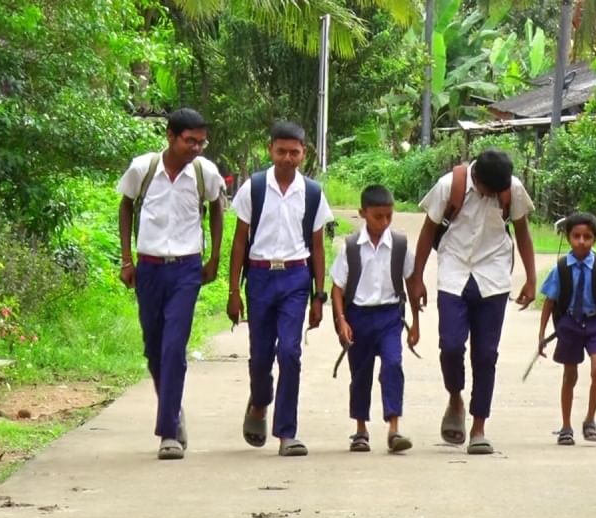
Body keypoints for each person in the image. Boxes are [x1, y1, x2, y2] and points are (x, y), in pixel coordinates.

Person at [407, 149, 537, 455]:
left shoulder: (512, 189)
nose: (492, 195)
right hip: (453, 271)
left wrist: (531, 279)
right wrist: (417, 278)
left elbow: (522, 231)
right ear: (475, 177)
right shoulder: (449, 186)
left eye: (497, 191)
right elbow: (428, 231)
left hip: (493, 275)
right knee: (450, 345)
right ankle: (455, 397)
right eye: (488, 190)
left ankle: (479, 427)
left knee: (486, 354)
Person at [116, 107, 225, 461]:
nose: (196, 147)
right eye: (189, 141)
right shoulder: (143, 169)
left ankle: (168, 434)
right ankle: (173, 411)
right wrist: (127, 260)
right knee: (154, 346)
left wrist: (214, 258)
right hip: (148, 268)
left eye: (201, 142)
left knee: (174, 346)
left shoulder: (204, 172)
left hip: (186, 268)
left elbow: (218, 209)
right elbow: (126, 206)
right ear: (171, 137)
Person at [226, 121, 333, 457]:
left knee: (290, 352)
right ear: (270, 150)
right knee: (260, 356)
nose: (288, 158)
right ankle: (259, 402)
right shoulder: (254, 188)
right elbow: (239, 242)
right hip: (259, 278)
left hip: (295, 280)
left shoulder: (313, 193)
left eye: (295, 152)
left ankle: (287, 432)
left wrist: (319, 295)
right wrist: (232, 292)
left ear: (304, 153)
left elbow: (317, 247)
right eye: (281, 151)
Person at [330, 185, 420, 454]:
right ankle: (360, 430)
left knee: (393, 365)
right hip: (358, 317)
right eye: (378, 216)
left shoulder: (400, 245)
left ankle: (394, 428)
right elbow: (337, 288)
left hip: (390, 317)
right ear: (362, 214)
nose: (384, 222)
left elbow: (411, 282)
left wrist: (415, 322)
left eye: (389, 216)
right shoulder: (351, 248)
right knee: (360, 375)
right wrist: (341, 320)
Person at [536, 212, 596, 446]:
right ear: (568, 237)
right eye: (576, 236)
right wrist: (541, 336)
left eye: (587, 237)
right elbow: (549, 303)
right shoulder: (560, 269)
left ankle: (590, 419)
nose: (582, 241)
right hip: (570, 324)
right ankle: (566, 426)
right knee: (569, 375)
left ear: (595, 239)